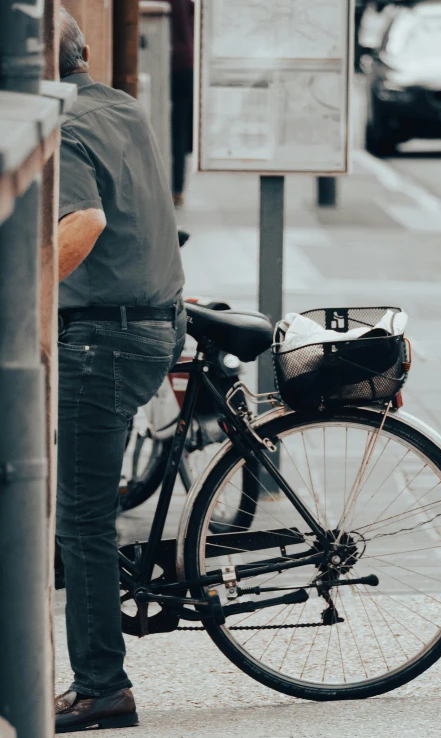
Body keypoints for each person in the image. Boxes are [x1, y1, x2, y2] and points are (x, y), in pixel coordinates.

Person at [54, 8, 186, 733]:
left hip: (105, 341)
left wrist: (23, 295)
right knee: (78, 506)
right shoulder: (117, 104)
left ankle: (102, 684)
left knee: (81, 516)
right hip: (154, 323)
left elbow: (84, 223)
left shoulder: (63, 126)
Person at [169, 0, 195, 207]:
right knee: (180, 131)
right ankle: (178, 189)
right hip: (185, 63)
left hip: (161, 60)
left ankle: (162, 186)